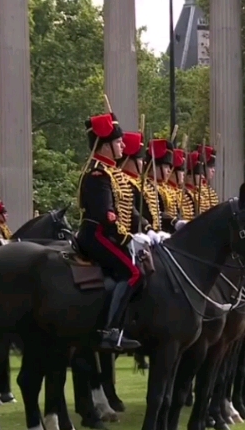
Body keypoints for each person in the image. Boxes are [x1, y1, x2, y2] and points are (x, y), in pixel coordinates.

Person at [75, 112, 143, 352]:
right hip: (97, 235)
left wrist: (145, 231)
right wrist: (128, 238)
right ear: (105, 146)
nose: (123, 145)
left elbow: (128, 212)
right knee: (133, 272)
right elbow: (107, 216)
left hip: (110, 234)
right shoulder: (98, 173)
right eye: (118, 142)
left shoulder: (114, 173)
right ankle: (110, 330)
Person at [196, 145, 219, 214]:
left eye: (213, 167)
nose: (213, 170)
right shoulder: (196, 190)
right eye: (210, 167)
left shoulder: (208, 190)